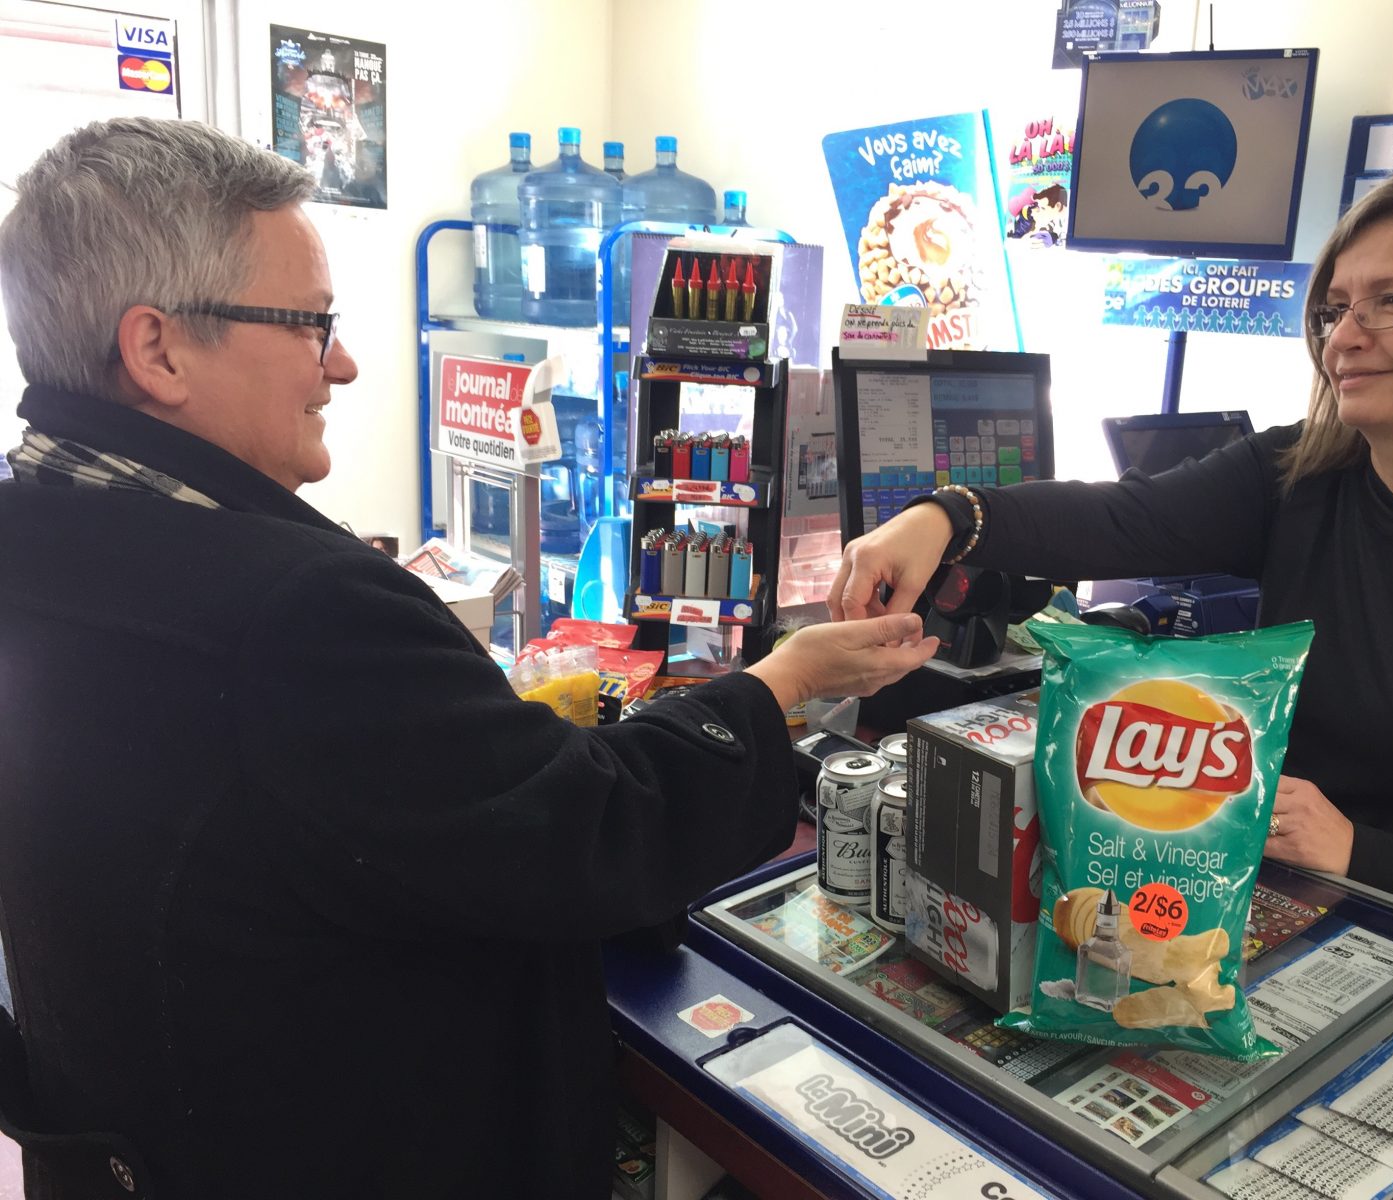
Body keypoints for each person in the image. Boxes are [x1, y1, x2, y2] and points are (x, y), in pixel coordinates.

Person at [0, 117, 937, 1197]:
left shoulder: (48, 529)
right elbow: (586, 831)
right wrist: (785, 682)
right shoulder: (289, 613)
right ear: (157, 349)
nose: (343, 364)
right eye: (310, 327)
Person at [832, 161, 1393, 946]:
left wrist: (1366, 854)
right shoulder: (1296, 477)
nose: (1344, 337)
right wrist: (946, 516)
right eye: (1335, 308)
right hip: (1260, 913)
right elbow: (1123, 520)